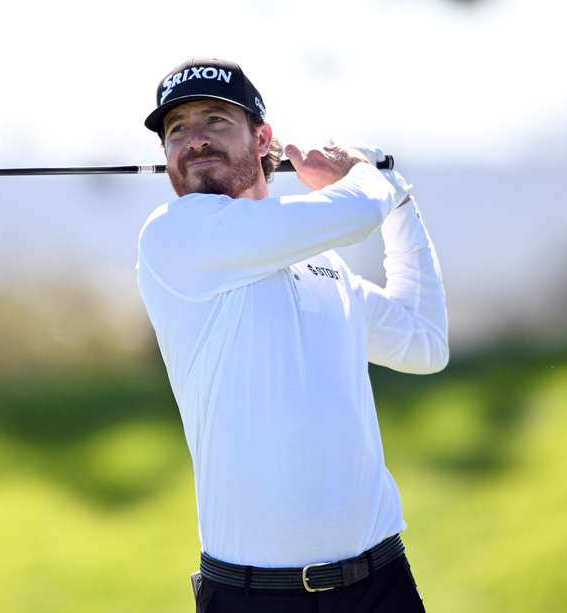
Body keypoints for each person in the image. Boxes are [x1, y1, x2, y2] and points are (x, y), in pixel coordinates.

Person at [135, 57, 448, 613]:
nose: (194, 140)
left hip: (382, 583)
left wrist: (399, 203)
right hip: (253, 596)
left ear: (262, 139)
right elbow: (352, 212)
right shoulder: (174, 238)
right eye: (177, 129)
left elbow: (424, 345)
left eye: (214, 120)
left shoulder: (321, 264)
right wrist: (371, 176)